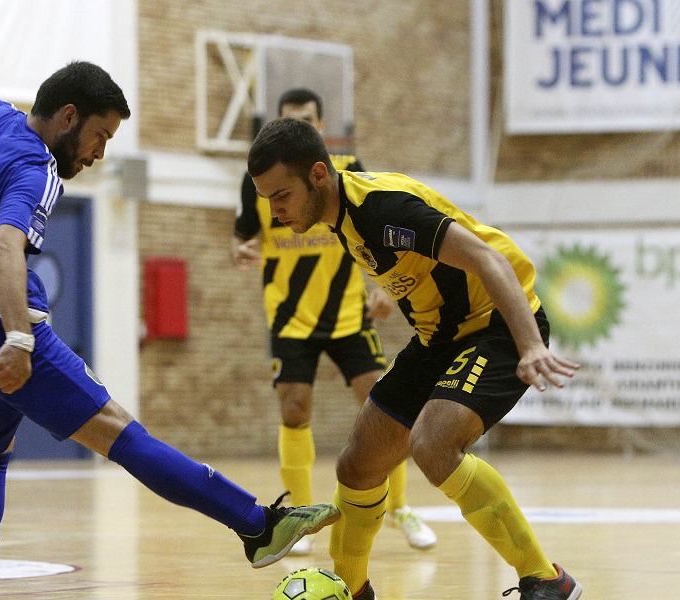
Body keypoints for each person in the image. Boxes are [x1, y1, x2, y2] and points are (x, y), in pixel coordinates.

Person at [0, 61, 340, 600]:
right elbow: (3, 247)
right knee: (124, 435)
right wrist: (19, 338)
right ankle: (256, 525)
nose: (99, 152)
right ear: (68, 117)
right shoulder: (36, 167)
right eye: (100, 135)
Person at [247, 117, 583, 600]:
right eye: (267, 200)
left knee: (433, 444)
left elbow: (490, 259)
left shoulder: (382, 209)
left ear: (318, 175)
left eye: (282, 196)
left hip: (496, 326)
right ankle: (353, 590)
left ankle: (547, 581)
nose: (275, 210)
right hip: (438, 338)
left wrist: (529, 344)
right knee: (357, 466)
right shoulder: (340, 218)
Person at [232, 88, 436, 555]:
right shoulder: (258, 180)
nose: (298, 128)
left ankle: (400, 506)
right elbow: (241, 238)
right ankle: (298, 519)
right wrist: (240, 252)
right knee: (294, 409)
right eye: (288, 121)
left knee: (387, 404)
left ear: (322, 128)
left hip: (348, 313)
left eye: (306, 120)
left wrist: (385, 288)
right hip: (289, 317)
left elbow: (380, 233)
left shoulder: (348, 171)